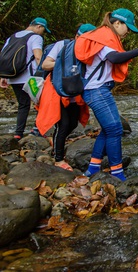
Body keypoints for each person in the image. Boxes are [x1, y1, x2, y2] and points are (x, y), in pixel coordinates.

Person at [75, 9, 138, 181]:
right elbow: (114, 58)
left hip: (97, 90)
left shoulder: (103, 35)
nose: (128, 32)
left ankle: (93, 167)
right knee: (115, 129)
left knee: (108, 129)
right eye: (128, 28)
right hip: (96, 90)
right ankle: (117, 172)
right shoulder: (103, 36)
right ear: (117, 23)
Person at [36, 23, 96, 170]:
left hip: (75, 92)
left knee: (73, 124)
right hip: (57, 89)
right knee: (63, 124)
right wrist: (65, 64)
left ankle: (57, 144)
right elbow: (45, 65)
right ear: (77, 36)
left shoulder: (91, 50)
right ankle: (58, 159)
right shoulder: (61, 45)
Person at [0, 18, 50, 139]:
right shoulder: (36, 37)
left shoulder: (12, 37)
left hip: (13, 77)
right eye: (43, 30)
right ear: (38, 26)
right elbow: (38, 57)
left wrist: (3, 76)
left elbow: (3, 57)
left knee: (23, 105)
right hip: (30, 79)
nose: (43, 33)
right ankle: (37, 129)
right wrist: (45, 73)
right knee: (42, 102)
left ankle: (18, 133)